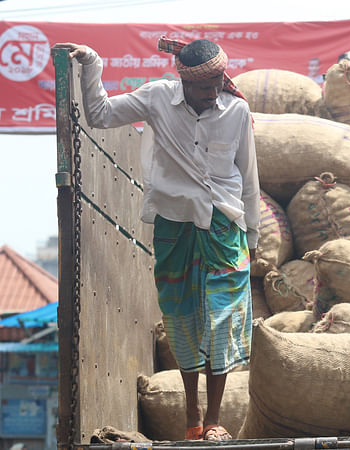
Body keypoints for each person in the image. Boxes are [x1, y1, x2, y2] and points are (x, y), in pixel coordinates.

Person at [53, 38, 259, 441]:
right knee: (181, 317)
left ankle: (215, 420)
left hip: (224, 228)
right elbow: (98, 114)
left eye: (219, 80)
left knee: (223, 318)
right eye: (205, 84)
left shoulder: (237, 111)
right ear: (183, 79)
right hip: (173, 225)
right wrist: (93, 62)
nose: (214, 90)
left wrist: (253, 233)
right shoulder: (157, 98)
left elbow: (248, 178)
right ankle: (193, 416)